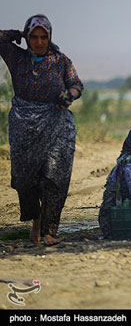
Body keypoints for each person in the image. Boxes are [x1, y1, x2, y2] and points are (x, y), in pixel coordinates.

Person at [0, 14, 84, 246]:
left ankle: (49, 232)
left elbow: (77, 85)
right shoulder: (16, 58)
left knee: (54, 177)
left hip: (56, 124)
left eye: (43, 37)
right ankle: (36, 220)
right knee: (26, 180)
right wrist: (15, 34)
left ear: (50, 37)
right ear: (28, 37)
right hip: (23, 125)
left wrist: (69, 96)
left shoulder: (60, 61)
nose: (38, 41)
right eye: (33, 36)